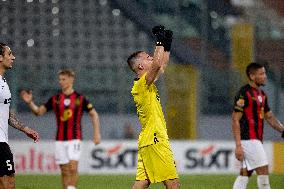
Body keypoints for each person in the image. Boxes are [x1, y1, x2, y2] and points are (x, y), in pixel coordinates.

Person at [20, 69, 101, 189]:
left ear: (71, 79)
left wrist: (96, 133)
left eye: (63, 79)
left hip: (75, 137)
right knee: (64, 171)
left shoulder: (80, 98)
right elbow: (38, 112)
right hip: (60, 139)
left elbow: (94, 114)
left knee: (73, 167)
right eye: (59, 79)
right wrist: (30, 103)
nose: (61, 82)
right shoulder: (55, 99)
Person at [127, 26, 180, 189]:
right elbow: (157, 64)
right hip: (155, 138)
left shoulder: (145, 83)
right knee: (173, 183)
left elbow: (161, 65)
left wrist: (167, 43)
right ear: (140, 67)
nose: (152, 58)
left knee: (141, 183)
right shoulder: (142, 85)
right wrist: (159, 40)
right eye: (148, 57)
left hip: (148, 139)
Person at [232, 62, 284, 189]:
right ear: (252, 76)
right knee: (263, 170)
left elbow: (269, 117)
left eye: (264, 73)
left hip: (255, 140)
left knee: (245, 173)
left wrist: (283, 130)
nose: (265, 76)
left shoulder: (262, 95)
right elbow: (235, 119)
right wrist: (238, 145)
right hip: (248, 139)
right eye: (261, 74)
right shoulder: (244, 93)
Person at [0, 43, 39, 189]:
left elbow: (5, 113)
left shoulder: (3, 82)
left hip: (2, 140)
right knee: (8, 184)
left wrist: (24, 128)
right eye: (9, 54)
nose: (13, 57)